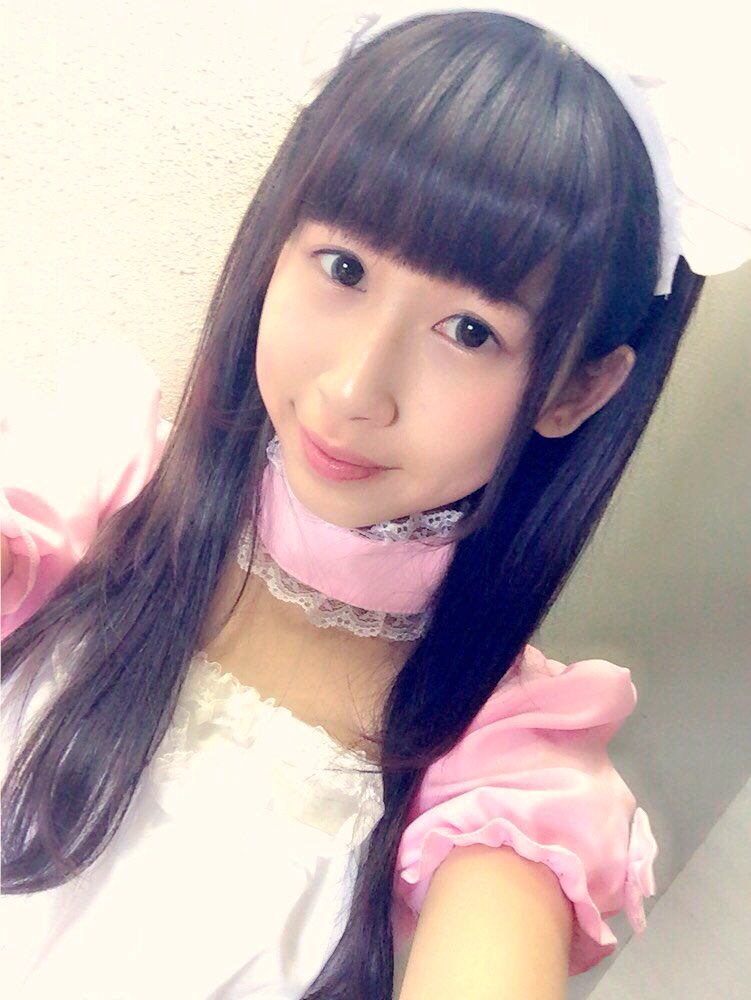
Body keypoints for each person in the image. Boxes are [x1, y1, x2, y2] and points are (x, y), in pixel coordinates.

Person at [1, 5, 748, 998]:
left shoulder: (506, 774)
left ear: (575, 390)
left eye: (469, 331)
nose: (356, 387)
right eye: (344, 267)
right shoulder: (84, 496)